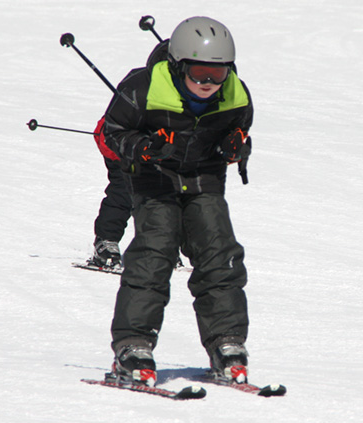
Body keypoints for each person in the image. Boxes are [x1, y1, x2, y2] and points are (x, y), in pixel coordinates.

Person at [102, 16, 253, 387]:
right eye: (200, 73)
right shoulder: (142, 89)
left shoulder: (236, 94)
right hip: (155, 180)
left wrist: (236, 146)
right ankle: (133, 346)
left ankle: (227, 345)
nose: (208, 84)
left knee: (221, 256)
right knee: (154, 255)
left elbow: (239, 131)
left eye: (217, 75)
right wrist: (144, 147)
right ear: (178, 66)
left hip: (204, 181)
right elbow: (112, 131)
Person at [89, 117, 131, 269]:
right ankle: (106, 240)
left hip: (157, 148)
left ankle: (161, 245)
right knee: (125, 190)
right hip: (119, 141)